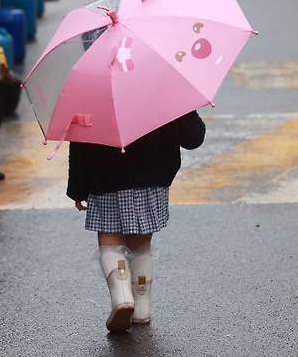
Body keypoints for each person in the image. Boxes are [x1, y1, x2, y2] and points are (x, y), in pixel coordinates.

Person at [68, 112, 206, 332]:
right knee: (141, 245)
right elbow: (193, 138)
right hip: (152, 177)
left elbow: (79, 142)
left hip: (105, 178)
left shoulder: (92, 90)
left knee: (110, 242)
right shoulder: (163, 85)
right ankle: (142, 307)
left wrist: (77, 187)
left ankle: (122, 296)